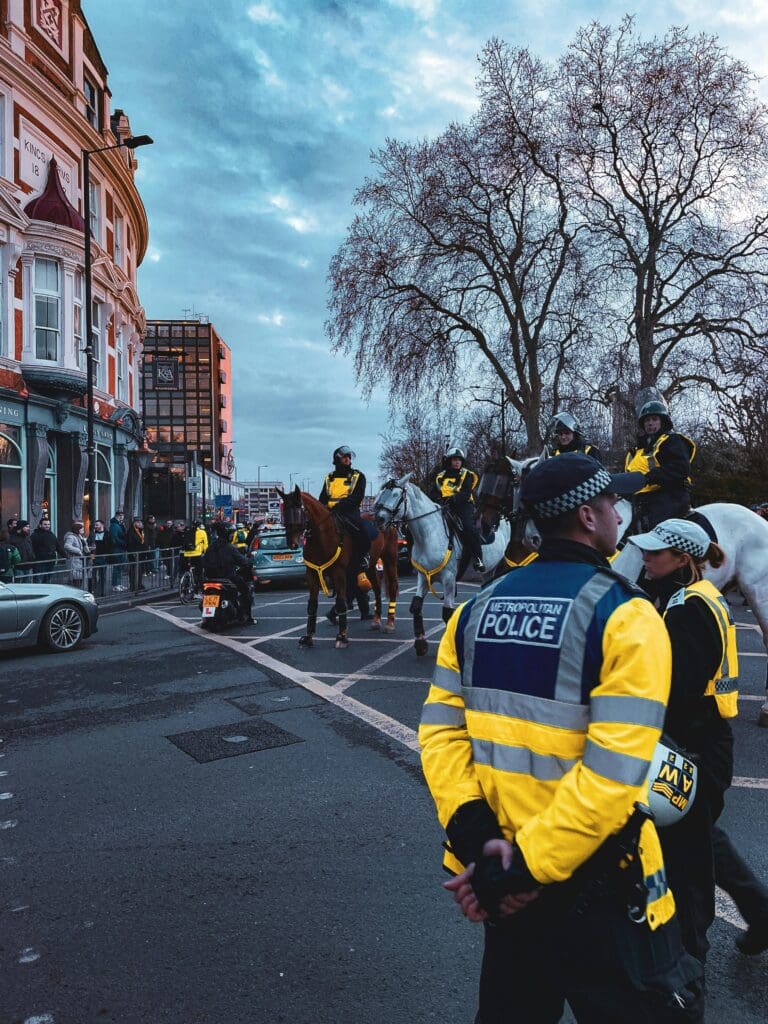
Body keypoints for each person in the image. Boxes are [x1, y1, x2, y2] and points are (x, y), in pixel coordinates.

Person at [419, 453, 703, 1023]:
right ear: (587, 517)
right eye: (611, 503)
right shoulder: (628, 616)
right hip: (602, 890)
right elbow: (616, 773)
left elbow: (441, 738)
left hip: (505, 887)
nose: (621, 515)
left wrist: (482, 845)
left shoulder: (473, 613)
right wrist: (526, 868)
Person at [630, 518, 768, 960]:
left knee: (690, 862)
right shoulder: (697, 596)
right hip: (705, 740)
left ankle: (689, 961)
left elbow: (678, 689)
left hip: (694, 744)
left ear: (682, 558)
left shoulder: (687, 609)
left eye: (655, 552)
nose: (646, 558)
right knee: (699, 840)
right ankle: (760, 913)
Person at [625, 400, 695, 530]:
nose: (650, 423)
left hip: (669, 495)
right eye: (646, 420)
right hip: (639, 498)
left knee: (657, 529)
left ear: (663, 421)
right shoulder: (637, 450)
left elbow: (680, 467)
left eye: (654, 419)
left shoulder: (672, 440)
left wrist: (651, 477)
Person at [318, 446, 375, 571]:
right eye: (345, 457)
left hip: (350, 513)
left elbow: (357, 497)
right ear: (337, 459)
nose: (347, 459)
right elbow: (323, 497)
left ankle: (361, 561)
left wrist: (340, 506)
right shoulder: (329, 477)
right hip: (331, 513)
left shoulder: (358, 476)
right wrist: (324, 509)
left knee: (363, 538)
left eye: (349, 457)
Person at [432, 446, 485, 572]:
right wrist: (439, 500)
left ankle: (478, 558)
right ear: (449, 461)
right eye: (454, 460)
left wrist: (454, 499)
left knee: (468, 527)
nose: (457, 462)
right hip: (444, 506)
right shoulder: (440, 476)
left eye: (459, 460)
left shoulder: (467, 474)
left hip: (463, 505)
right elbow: (434, 492)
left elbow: (466, 492)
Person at [201, 522, 254, 624]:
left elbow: (204, 561)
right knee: (246, 591)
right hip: (228, 578)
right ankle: (248, 617)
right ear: (226, 534)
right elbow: (243, 561)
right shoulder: (229, 548)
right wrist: (249, 561)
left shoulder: (210, 547)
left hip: (210, 579)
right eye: (230, 534)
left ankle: (205, 619)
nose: (231, 536)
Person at [31, 518, 66, 582]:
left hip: (50, 560)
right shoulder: (35, 535)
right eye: (45, 524)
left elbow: (58, 546)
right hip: (39, 561)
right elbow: (32, 548)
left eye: (48, 524)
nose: (47, 526)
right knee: (38, 580)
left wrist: (65, 555)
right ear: (40, 525)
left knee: (47, 579)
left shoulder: (51, 534)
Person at [63, 520, 92, 587]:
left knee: (80, 579)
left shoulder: (80, 536)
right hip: (75, 561)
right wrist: (78, 551)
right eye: (81, 527)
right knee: (76, 580)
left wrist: (88, 550)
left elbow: (84, 546)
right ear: (77, 529)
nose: (83, 529)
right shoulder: (71, 536)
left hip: (81, 561)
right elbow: (67, 546)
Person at [181, 519, 208, 591]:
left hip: (186, 555)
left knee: (186, 569)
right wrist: (206, 553)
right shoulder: (202, 532)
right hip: (197, 554)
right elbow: (205, 545)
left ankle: (184, 585)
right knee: (199, 572)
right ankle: (198, 590)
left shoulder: (187, 531)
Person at [88, 519, 112, 597]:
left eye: (97, 525)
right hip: (94, 557)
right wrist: (92, 558)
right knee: (93, 576)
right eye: (95, 525)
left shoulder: (107, 534)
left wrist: (107, 557)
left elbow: (110, 546)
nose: (95, 526)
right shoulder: (92, 534)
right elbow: (89, 546)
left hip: (103, 557)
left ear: (102, 525)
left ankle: (102, 592)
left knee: (103, 576)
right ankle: (94, 592)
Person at [126, 517, 149, 591]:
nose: (140, 524)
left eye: (141, 522)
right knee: (134, 570)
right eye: (138, 522)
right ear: (134, 523)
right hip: (135, 554)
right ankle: (133, 585)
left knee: (140, 570)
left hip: (142, 554)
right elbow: (129, 543)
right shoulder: (131, 532)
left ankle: (139, 584)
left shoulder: (142, 531)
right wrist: (133, 552)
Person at [109, 511, 128, 591]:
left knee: (120, 567)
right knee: (117, 567)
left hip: (120, 548)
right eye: (122, 515)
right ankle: (115, 585)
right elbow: (114, 538)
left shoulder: (119, 524)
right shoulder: (114, 525)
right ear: (119, 516)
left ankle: (119, 584)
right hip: (117, 548)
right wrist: (123, 543)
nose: (123, 517)